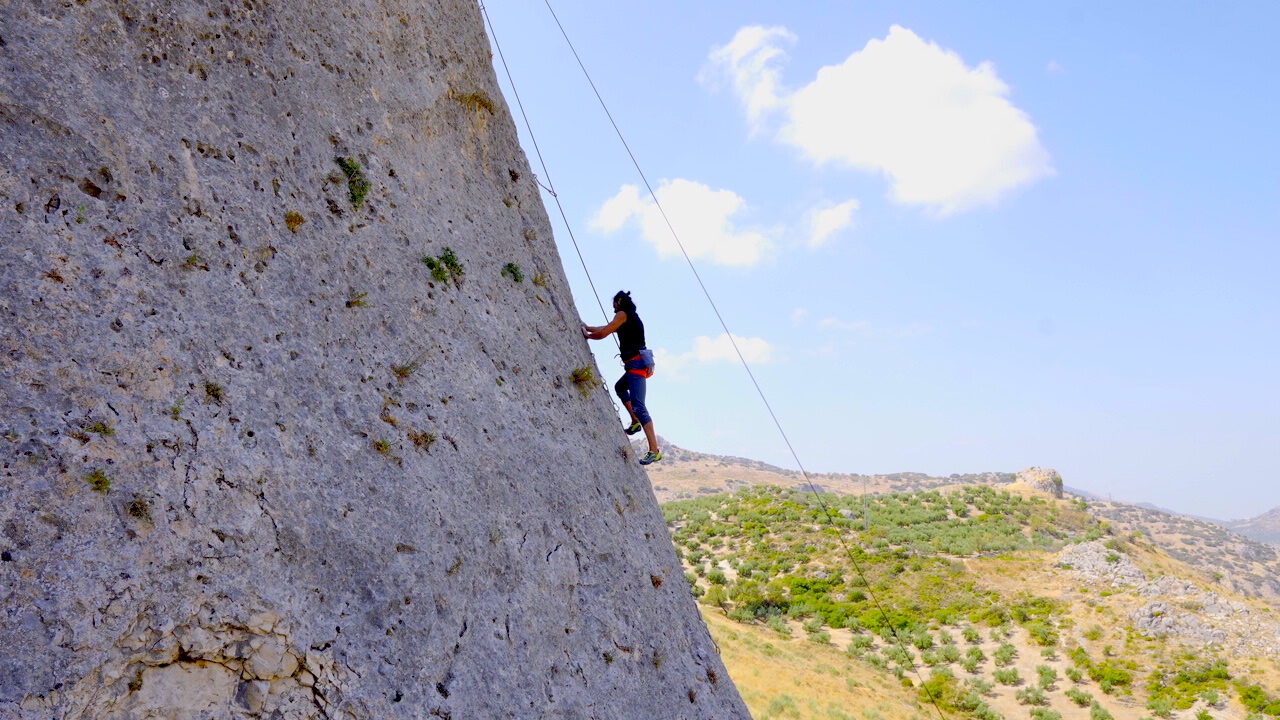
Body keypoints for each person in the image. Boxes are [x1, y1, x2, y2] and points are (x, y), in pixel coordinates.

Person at [581, 291, 662, 465]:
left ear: (619, 301)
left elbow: (604, 333)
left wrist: (587, 336)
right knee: (620, 388)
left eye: (614, 304)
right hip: (637, 364)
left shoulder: (622, 314)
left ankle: (654, 450)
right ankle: (634, 422)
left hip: (636, 365)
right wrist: (588, 328)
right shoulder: (629, 316)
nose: (613, 308)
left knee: (639, 406)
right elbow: (606, 327)